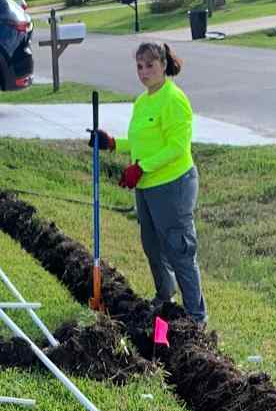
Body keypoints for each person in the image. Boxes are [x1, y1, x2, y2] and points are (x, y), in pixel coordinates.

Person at [88, 41, 207, 324]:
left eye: (150, 65)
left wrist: (141, 168)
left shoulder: (174, 99)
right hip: (147, 186)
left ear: (164, 65)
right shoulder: (142, 101)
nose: (144, 72)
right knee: (152, 245)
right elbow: (143, 142)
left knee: (179, 248)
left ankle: (195, 317)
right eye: (139, 66)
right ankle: (165, 298)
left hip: (173, 185)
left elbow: (177, 147)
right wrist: (113, 143)